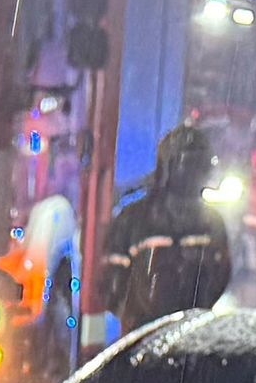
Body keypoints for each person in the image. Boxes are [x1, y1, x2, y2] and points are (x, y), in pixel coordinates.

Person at [100, 118, 233, 330]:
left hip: (188, 337)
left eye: (196, 165)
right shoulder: (134, 219)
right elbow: (111, 281)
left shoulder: (212, 223)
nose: (192, 173)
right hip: (149, 338)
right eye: (188, 164)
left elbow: (220, 275)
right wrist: (138, 319)